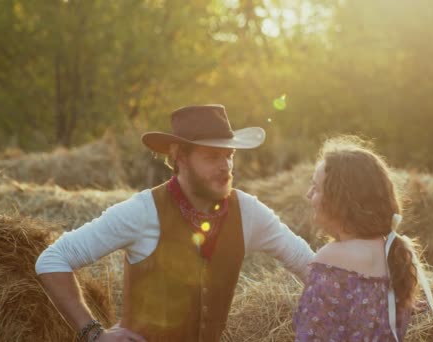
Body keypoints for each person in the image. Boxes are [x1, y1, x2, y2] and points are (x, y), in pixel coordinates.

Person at [35, 104, 315, 342]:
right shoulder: (142, 211)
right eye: (211, 156)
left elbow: (308, 264)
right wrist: (94, 334)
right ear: (179, 157)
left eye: (229, 155)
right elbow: (53, 260)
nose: (226, 167)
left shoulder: (249, 213)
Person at [292, 136, 433, 342]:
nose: (308, 195)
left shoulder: (332, 259)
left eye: (316, 188)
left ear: (338, 200)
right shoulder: (395, 252)